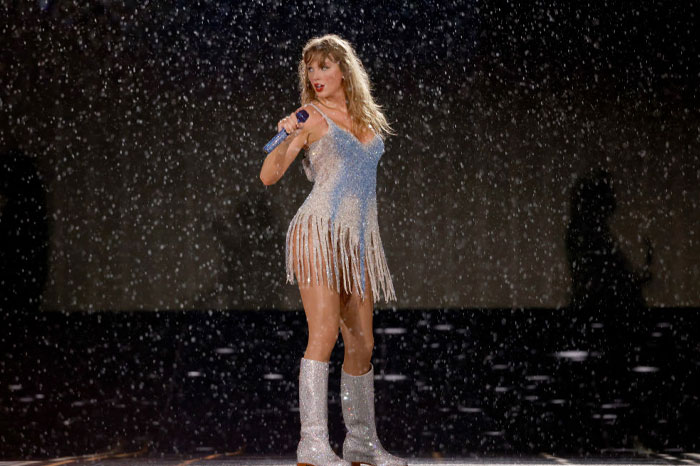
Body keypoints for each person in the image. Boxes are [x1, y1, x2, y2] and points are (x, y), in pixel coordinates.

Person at [259, 34, 406, 466]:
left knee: (361, 343)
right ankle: (313, 444)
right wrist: (286, 135)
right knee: (322, 334)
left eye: (324, 66)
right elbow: (269, 175)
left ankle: (361, 441)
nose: (316, 75)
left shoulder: (368, 120)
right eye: (310, 68)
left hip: (356, 239)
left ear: (344, 70)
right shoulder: (311, 115)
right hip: (319, 231)